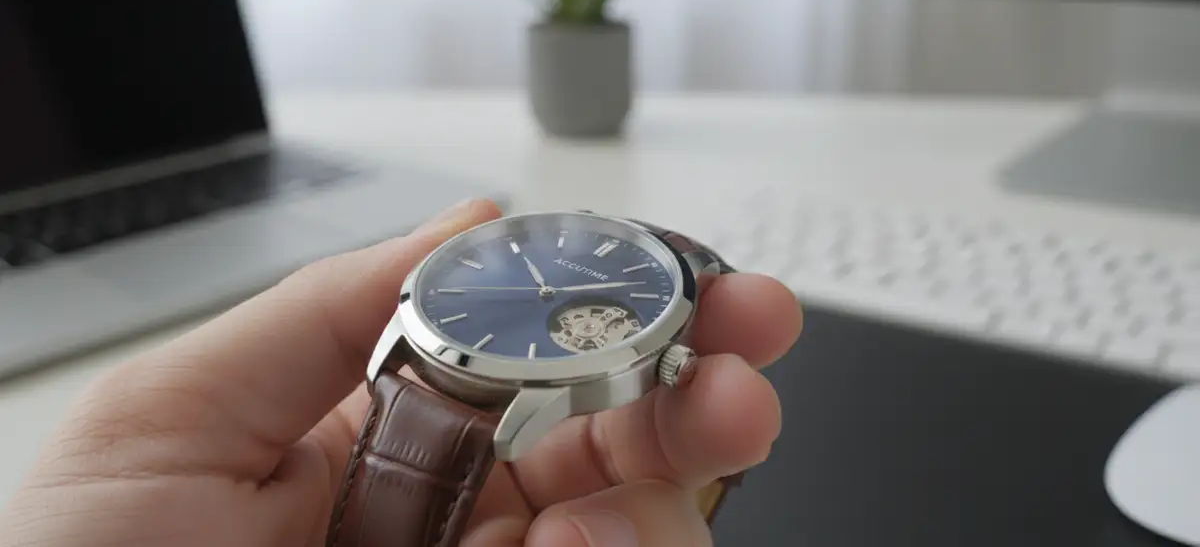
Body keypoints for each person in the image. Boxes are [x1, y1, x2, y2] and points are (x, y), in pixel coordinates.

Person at [0, 199, 803, 547]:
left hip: (498, 384)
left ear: (664, 353)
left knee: (726, 418)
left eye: (583, 310)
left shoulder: (661, 332)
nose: (554, 295)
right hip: (428, 354)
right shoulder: (408, 321)